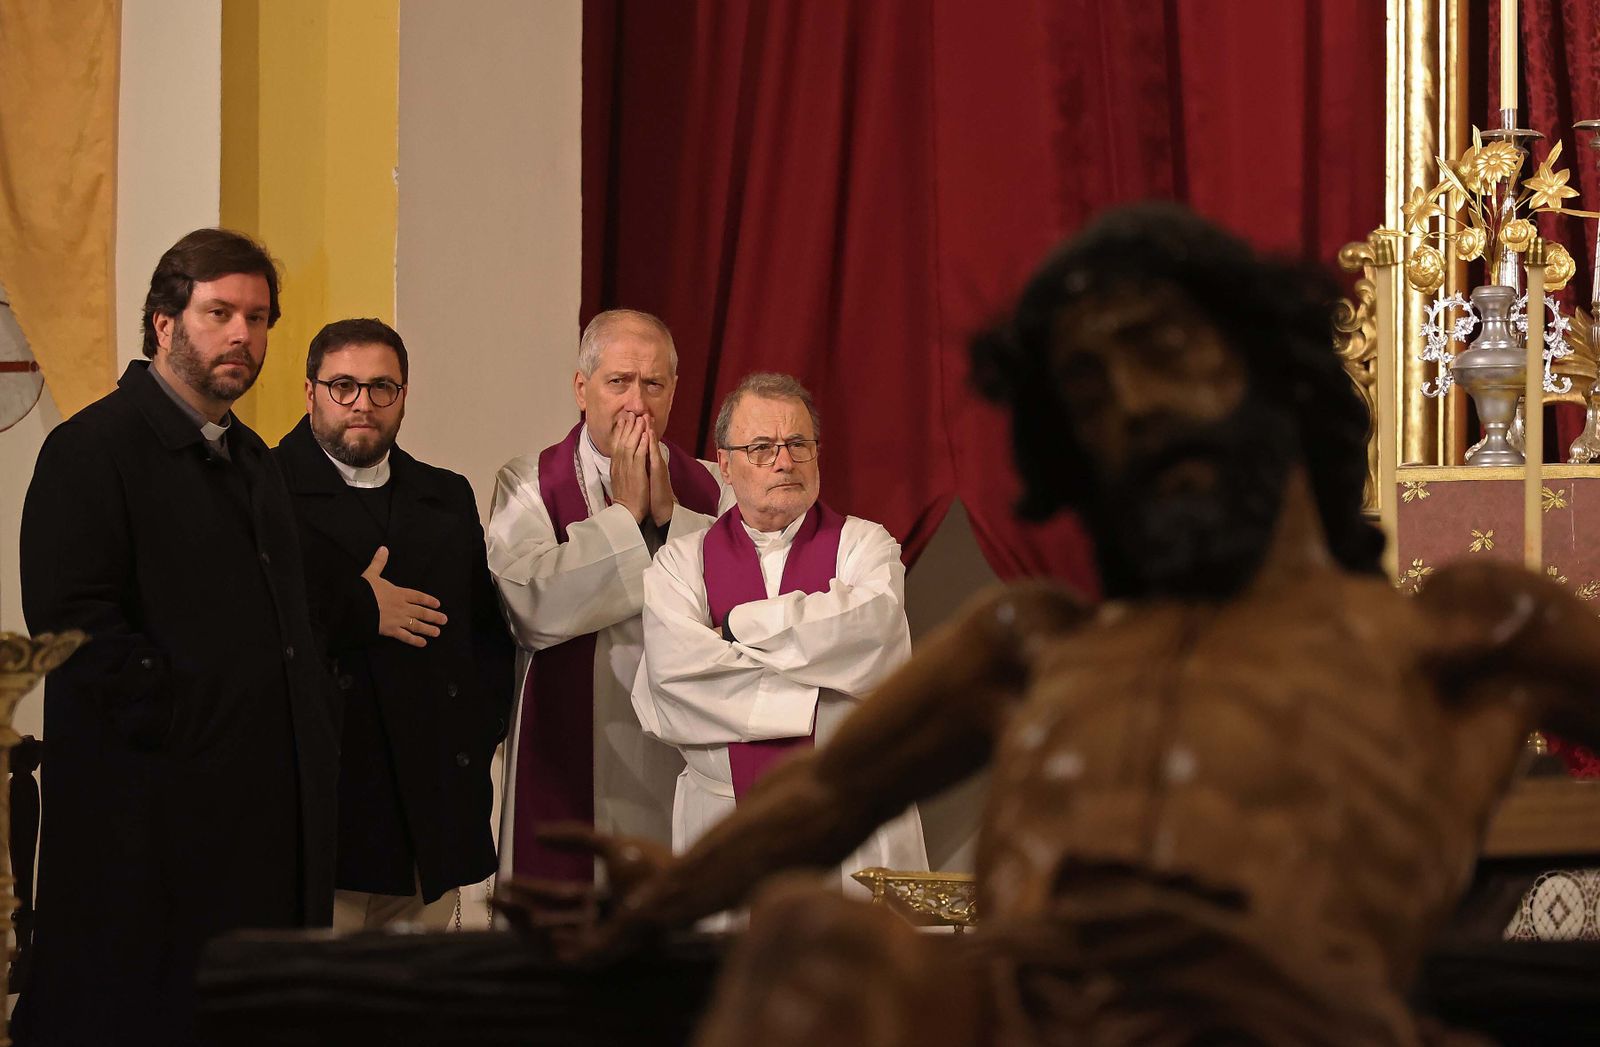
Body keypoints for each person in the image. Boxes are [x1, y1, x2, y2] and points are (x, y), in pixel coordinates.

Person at [499, 204, 1600, 1046]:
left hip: (1290, 1023)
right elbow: (827, 796)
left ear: (1280, 391)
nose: (1137, 430)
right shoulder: (1032, 643)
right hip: (1024, 1018)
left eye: (1177, 387)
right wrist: (658, 905)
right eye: (1098, 411)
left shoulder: (1461, 635)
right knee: (810, 944)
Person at [17, 229, 339, 1046]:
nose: (243, 335)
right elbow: (73, 624)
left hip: (259, 827)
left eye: (258, 318)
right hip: (148, 824)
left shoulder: (255, 459)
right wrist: (181, 718)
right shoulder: (90, 449)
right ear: (164, 323)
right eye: (219, 313)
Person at [632, 372, 926, 894]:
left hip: (850, 817)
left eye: (798, 444)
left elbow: (872, 638)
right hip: (723, 818)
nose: (784, 461)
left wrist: (737, 626)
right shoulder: (679, 563)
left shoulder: (866, 545)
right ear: (725, 464)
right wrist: (821, 689)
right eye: (762, 447)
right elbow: (676, 679)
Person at [273, 318, 515, 930]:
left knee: (422, 991)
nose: (363, 404)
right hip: (323, 812)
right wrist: (357, 608)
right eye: (343, 386)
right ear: (310, 392)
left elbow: (484, 637)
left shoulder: (446, 494)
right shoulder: (265, 491)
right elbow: (246, 630)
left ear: (403, 395)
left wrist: (476, 732)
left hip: (429, 809)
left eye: (382, 387)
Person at [487, 309, 725, 880]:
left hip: (678, 755)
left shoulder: (714, 486)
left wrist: (670, 519)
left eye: (653, 384)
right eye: (619, 382)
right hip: (568, 755)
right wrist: (625, 518)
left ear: (674, 392)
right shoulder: (529, 483)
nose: (637, 404)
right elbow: (530, 608)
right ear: (581, 388)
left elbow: (739, 604)